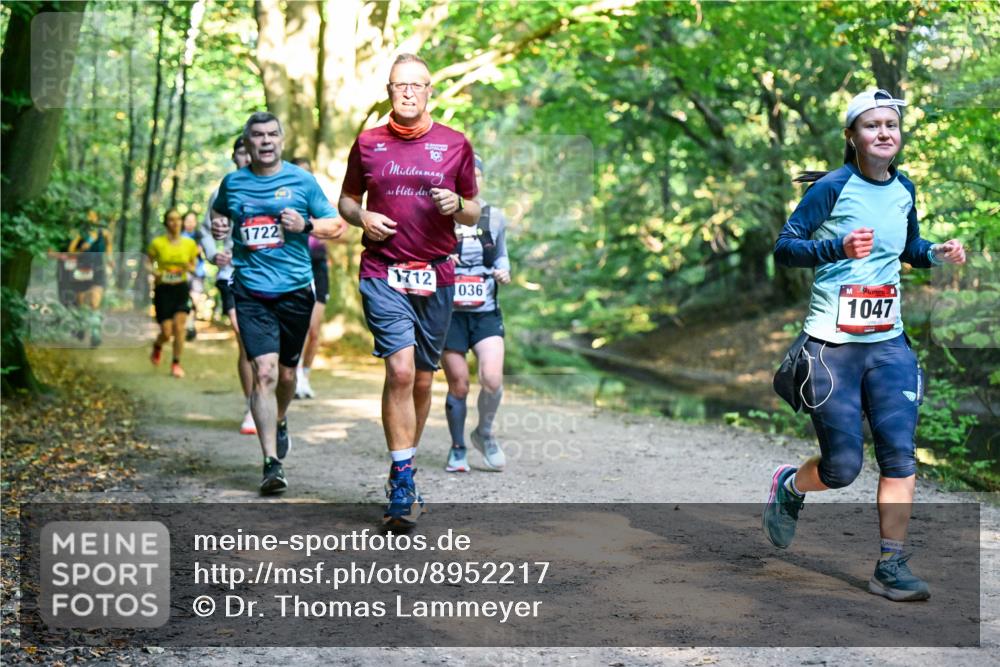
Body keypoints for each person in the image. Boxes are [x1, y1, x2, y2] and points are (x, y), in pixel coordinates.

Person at [763, 89, 966, 602]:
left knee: (899, 455)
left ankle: (891, 566)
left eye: (891, 125)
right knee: (843, 469)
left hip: (888, 344)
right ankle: (791, 485)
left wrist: (936, 254)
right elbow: (785, 249)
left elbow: (910, 249)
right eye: (871, 125)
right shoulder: (832, 188)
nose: (883, 133)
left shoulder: (905, 190)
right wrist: (835, 246)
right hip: (832, 347)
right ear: (852, 136)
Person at [338, 53, 480, 527]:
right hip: (383, 270)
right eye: (400, 85)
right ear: (389, 90)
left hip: (436, 275)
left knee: (422, 378)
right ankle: (401, 479)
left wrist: (457, 203)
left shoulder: (455, 144)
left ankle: (407, 465)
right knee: (399, 372)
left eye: (417, 85)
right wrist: (362, 217)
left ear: (430, 91)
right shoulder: (368, 142)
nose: (408, 93)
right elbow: (346, 200)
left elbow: (474, 211)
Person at [211, 112, 341, 495]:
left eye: (272, 134)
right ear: (247, 143)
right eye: (257, 135)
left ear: (281, 140)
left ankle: (280, 418)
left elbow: (336, 225)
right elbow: (219, 211)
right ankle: (271, 463)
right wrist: (220, 226)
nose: (265, 141)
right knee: (263, 373)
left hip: (296, 291)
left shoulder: (301, 181)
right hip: (250, 291)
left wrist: (306, 226)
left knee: (286, 375)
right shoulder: (232, 183)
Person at [441, 154, 511, 473]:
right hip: (449, 314)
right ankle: (457, 449)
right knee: (459, 385)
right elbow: (423, 258)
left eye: (476, 175)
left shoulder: (495, 217)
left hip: (485, 313)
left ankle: (483, 433)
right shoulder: (440, 218)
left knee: (492, 379)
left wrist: (502, 272)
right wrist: (442, 261)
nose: (471, 180)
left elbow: (501, 256)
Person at [202, 137, 256, 435]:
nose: (246, 158)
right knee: (245, 340)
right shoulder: (223, 191)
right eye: (241, 153)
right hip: (231, 275)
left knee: (264, 347)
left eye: (250, 153)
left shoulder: (272, 188)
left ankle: (266, 400)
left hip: (267, 276)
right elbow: (204, 228)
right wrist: (213, 253)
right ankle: (251, 406)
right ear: (234, 157)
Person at [289, 156, 348, 399]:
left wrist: (319, 228)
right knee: (296, 327)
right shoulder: (283, 202)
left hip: (318, 266)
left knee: (314, 329)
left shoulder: (322, 202)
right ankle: (291, 374)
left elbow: (342, 233)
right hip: (291, 267)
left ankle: (304, 375)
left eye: (307, 172)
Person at [147, 208, 201, 378]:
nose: (175, 223)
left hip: (181, 288)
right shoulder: (157, 243)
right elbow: (147, 263)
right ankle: (158, 344)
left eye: (178, 219)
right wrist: (155, 273)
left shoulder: (189, 244)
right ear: (166, 223)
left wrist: (188, 268)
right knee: (166, 331)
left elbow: (194, 266)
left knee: (179, 328)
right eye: (171, 219)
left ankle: (176, 363)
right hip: (163, 290)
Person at [67, 209, 113, 347]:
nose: (90, 218)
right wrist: (81, 249)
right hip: (82, 270)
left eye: (92, 216)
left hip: (98, 270)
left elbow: (109, 248)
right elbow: (71, 251)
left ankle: (95, 334)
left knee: (94, 302)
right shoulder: (81, 234)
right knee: (81, 303)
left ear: (97, 218)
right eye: (88, 216)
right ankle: (81, 327)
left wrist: (110, 261)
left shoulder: (104, 233)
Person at [182, 211, 207, 341]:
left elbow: (199, 250)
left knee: (195, 299)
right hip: (183, 272)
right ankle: (186, 325)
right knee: (184, 299)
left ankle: (190, 324)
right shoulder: (179, 235)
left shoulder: (199, 235)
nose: (190, 223)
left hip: (198, 272)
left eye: (193, 220)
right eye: (187, 220)